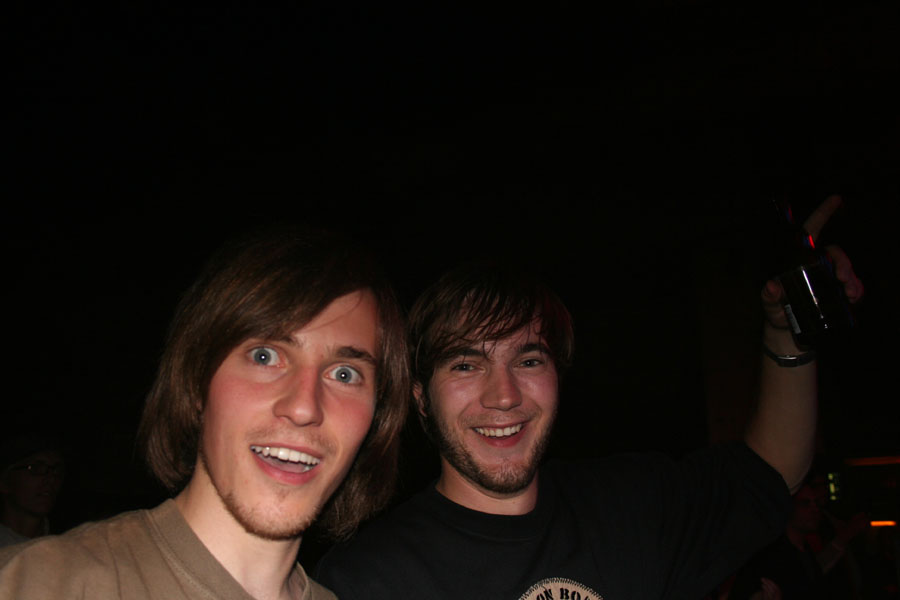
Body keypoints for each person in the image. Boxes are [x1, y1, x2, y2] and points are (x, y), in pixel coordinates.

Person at [316, 196, 865, 599]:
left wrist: (788, 333)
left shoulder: (631, 508)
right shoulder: (366, 580)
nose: (503, 396)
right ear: (420, 398)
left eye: (528, 360)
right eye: (466, 365)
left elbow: (773, 471)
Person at [0, 227, 409, 600]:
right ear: (197, 382)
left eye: (344, 374)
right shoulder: (35, 583)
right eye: (264, 356)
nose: (304, 407)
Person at [0, 433, 66, 547]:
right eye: (36, 468)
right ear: (4, 482)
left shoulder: (67, 546)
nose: (51, 479)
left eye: (56, 470)